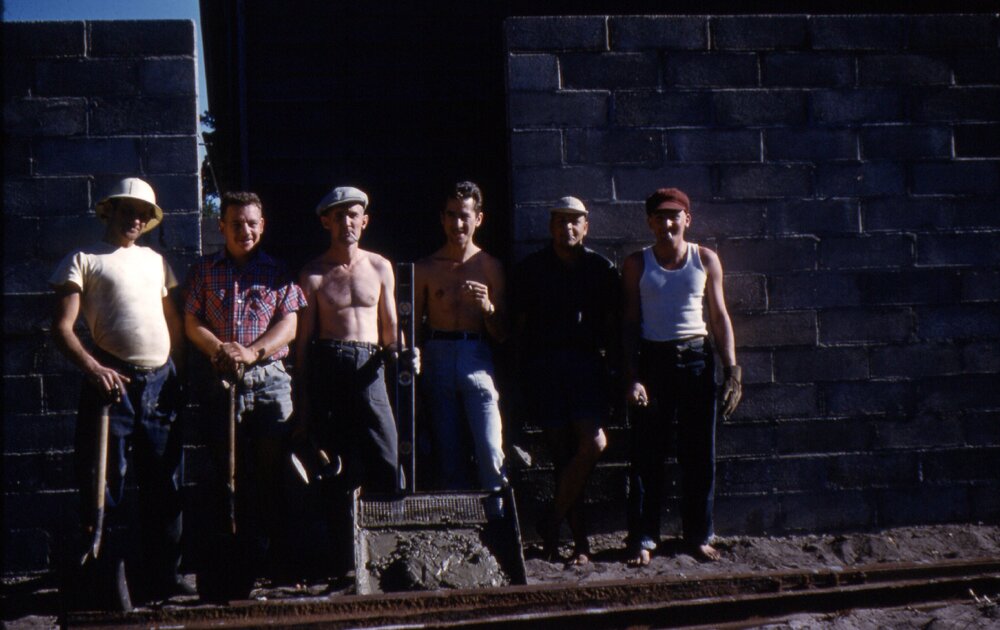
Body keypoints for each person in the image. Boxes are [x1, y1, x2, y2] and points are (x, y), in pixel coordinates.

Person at [50, 177, 188, 605]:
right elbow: (61, 328)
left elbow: (173, 325)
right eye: (128, 210)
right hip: (114, 387)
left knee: (166, 485)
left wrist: (177, 375)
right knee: (104, 488)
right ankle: (105, 582)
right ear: (110, 210)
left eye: (143, 213)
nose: (135, 219)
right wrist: (94, 369)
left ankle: (165, 578)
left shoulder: (155, 261)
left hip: (160, 384)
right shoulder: (84, 259)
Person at [183, 191, 307, 582]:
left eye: (252, 223)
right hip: (222, 381)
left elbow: (290, 325)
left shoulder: (279, 272)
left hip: (269, 380)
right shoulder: (204, 271)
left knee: (276, 468)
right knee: (230, 472)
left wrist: (251, 352)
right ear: (222, 227)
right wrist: (222, 350)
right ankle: (237, 560)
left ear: (262, 226)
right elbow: (192, 322)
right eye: (236, 224)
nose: (244, 231)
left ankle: (280, 556)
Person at [296, 185, 413, 577]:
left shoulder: (381, 266)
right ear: (326, 221)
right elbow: (303, 344)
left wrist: (405, 353)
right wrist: (304, 400)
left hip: (371, 365)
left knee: (387, 453)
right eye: (340, 215)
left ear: (365, 221)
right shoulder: (313, 273)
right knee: (336, 462)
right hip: (329, 363)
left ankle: (396, 550)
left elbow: (391, 329)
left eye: (355, 215)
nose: (348, 222)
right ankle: (345, 560)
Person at [622, 187, 742, 566]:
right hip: (653, 362)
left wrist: (732, 370)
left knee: (699, 454)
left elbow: (720, 316)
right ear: (649, 222)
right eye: (659, 217)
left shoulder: (705, 259)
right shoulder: (637, 264)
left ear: (687, 220)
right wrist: (632, 376)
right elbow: (627, 323)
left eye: (674, 216)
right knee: (646, 455)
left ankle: (699, 535)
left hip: (696, 360)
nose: (667, 224)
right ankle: (643, 537)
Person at [512, 196, 619, 565]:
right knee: (562, 458)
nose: (567, 228)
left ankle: (551, 520)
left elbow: (613, 327)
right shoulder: (531, 270)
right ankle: (578, 543)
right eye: (560, 221)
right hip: (545, 368)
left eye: (575, 221)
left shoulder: (600, 269)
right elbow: (520, 328)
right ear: (550, 226)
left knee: (591, 445)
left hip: (586, 368)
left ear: (586, 226)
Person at [414, 181, 508, 492]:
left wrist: (488, 308)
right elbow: (411, 326)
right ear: (442, 218)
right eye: (452, 215)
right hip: (437, 353)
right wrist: (412, 357)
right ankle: (455, 529)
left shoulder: (490, 266)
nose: (458, 224)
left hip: (476, 353)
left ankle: (498, 513)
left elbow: (503, 333)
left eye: (465, 216)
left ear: (478, 219)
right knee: (446, 451)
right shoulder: (426, 268)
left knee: (491, 448)